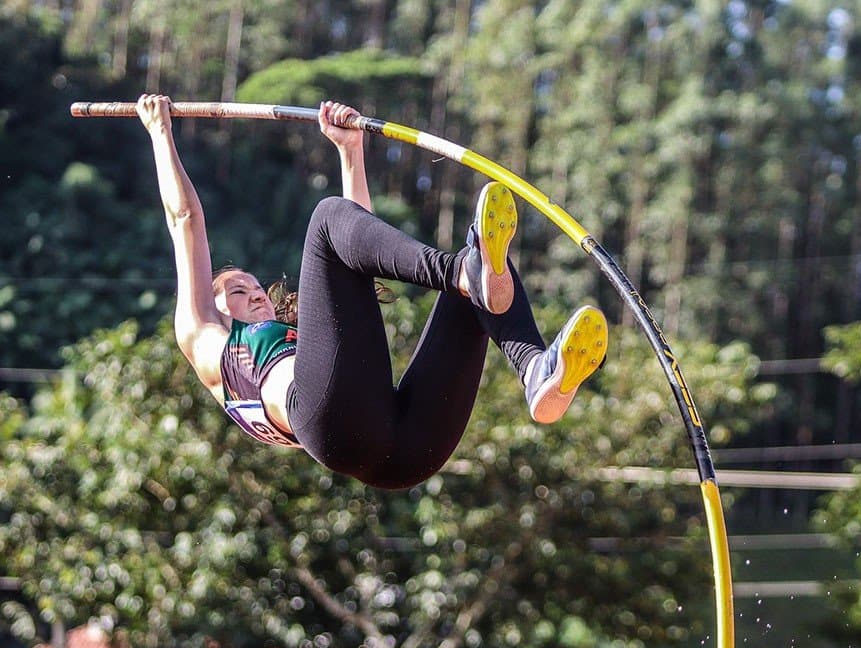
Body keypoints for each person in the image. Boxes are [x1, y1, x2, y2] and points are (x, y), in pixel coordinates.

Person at [138, 94, 608, 490]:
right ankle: (459, 273)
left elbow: (358, 242)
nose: (256, 294)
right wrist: (160, 134)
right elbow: (185, 222)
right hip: (333, 428)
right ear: (213, 305)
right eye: (238, 291)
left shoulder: (305, 344)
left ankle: (534, 368)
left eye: (256, 286)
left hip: (408, 451)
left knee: (483, 260)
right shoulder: (205, 338)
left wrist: (350, 152)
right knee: (326, 217)